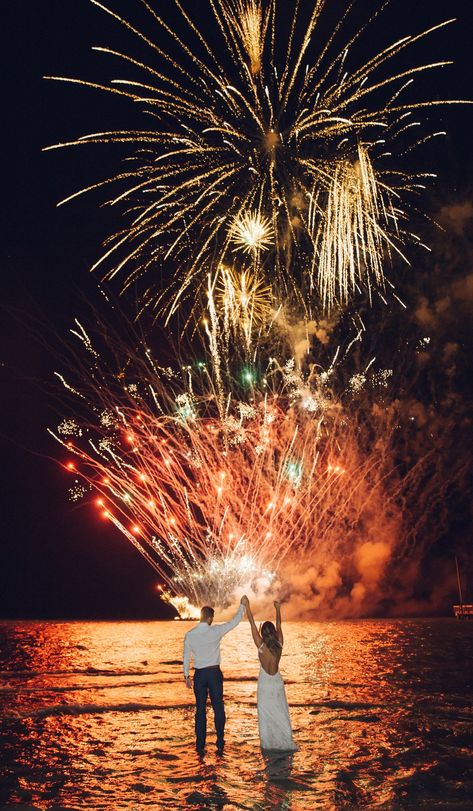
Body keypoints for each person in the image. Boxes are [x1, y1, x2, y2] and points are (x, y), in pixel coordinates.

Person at [183, 597, 246, 755]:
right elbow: (234, 623)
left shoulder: (190, 634)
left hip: (199, 675)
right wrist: (243, 606)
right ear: (210, 618)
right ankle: (220, 741)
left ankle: (200, 744)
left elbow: (185, 657)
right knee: (218, 707)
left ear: (200, 616)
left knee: (200, 710)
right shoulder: (215, 631)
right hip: (214, 673)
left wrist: (186, 676)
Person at [241, 596, 297, 751]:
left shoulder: (260, 646)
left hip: (265, 684)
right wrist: (278, 609)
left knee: (266, 713)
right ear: (272, 632)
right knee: (280, 711)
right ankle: (285, 739)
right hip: (277, 682)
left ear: (263, 633)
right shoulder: (279, 644)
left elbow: (251, 623)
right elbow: (279, 625)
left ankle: (268, 744)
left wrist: (247, 606)